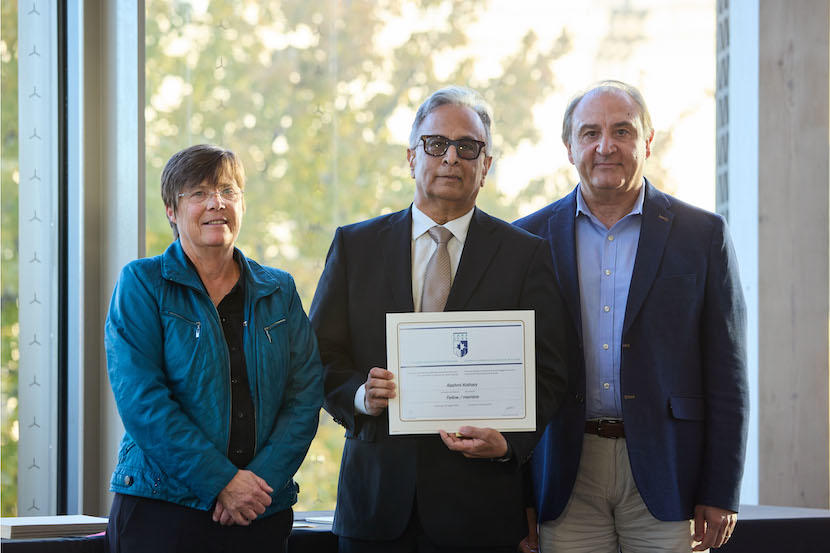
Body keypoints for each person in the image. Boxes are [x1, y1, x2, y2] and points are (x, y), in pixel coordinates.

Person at [309, 85, 570, 552]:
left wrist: (510, 442)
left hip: (479, 511)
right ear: (412, 157)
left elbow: (551, 372)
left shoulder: (525, 256)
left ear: (485, 165)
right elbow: (317, 357)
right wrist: (360, 397)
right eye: (436, 144)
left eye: (468, 147)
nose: (452, 157)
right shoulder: (355, 248)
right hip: (375, 506)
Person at [514, 80, 748, 552]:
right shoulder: (527, 239)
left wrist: (721, 489)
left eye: (622, 131)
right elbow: (514, 376)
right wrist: (516, 497)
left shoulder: (703, 235)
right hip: (564, 472)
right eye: (590, 133)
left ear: (647, 139)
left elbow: (728, 373)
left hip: (669, 473)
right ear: (568, 146)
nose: (606, 146)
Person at [104, 144, 324, 552]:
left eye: (228, 190)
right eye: (199, 193)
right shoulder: (142, 284)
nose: (217, 203)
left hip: (260, 511)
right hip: (162, 511)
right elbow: (143, 402)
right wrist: (221, 482)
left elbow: (305, 396)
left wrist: (258, 486)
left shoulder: (280, 290)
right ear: (172, 209)